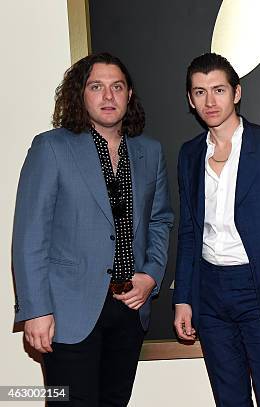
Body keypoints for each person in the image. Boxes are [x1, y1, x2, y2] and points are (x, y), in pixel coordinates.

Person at [12, 52, 174, 406]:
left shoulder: (150, 151)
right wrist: (36, 310)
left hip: (129, 309)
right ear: (80, 94)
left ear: (129, 95)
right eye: (96, 86)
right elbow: (30, 236)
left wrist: (151, 275)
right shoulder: (51, 147)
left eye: (117, 87)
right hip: (68, 310)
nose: (108, 96)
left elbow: (160, 220)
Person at [172, 53, 260, 406]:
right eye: (199, 92)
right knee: (228, 398)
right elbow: (188, 231)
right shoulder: (188, 154)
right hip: (209, 291)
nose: (210, 101)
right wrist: (183, 297)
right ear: (190, 100)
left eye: (218, 89)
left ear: (236, 93)